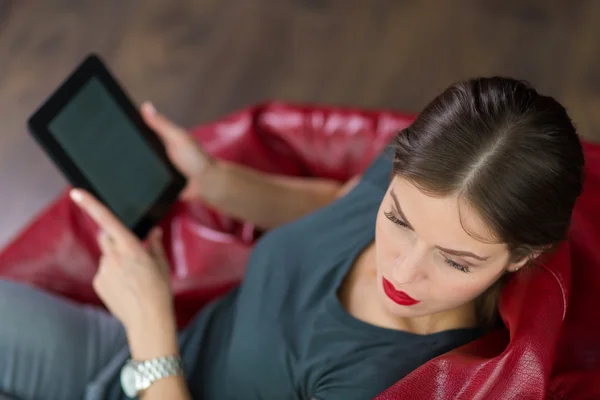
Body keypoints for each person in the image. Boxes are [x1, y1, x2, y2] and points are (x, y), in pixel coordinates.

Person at [0, 77, 585, 400]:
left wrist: (150, 328)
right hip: (125, 355)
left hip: (155, 358)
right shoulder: (428, 175)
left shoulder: (385, 382)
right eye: (399, 220)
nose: (403, 271)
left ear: (523, 256)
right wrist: (212, 180)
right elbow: (336, 204)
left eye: (456, 261)